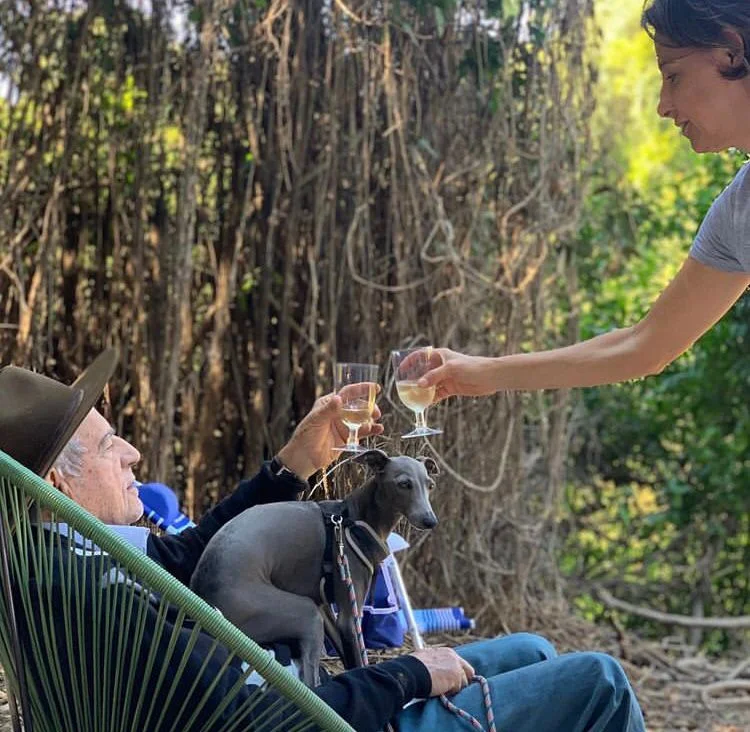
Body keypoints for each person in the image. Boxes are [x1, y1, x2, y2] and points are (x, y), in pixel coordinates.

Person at [0, 350, 645, 731]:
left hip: (300, 705)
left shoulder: (66, 565)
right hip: (326, 721)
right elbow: (269, 714)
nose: (135, 452)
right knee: (600, 682)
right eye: (114, 446)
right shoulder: (93, 596)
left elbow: (179, 559)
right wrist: (409, 674)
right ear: (57, 478)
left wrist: (291, 467)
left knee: (532, 647)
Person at [419, 0, 750, 403]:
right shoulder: (737, 213)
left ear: (731, 52)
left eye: (674, 77)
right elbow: (645, 345)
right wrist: (485, 373)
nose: (663, 105)